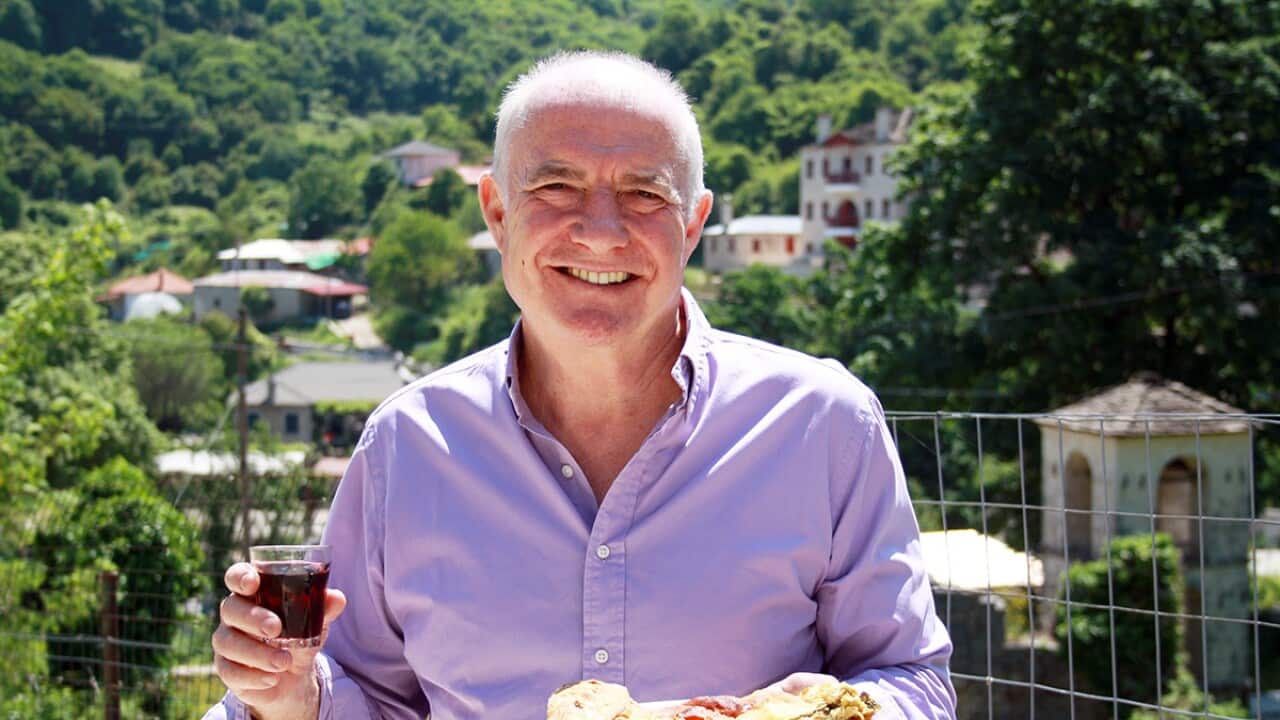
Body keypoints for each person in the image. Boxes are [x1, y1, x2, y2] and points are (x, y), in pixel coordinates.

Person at [204, 51, 955, 720]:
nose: (601, 231)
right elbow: (375, 698)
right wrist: (290, 696)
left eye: (643, 194)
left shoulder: (823, 426)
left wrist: (839, 714)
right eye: (557, 186)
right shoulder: (407, 446)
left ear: (693, 225)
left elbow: (912, 681)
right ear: (497, 212)